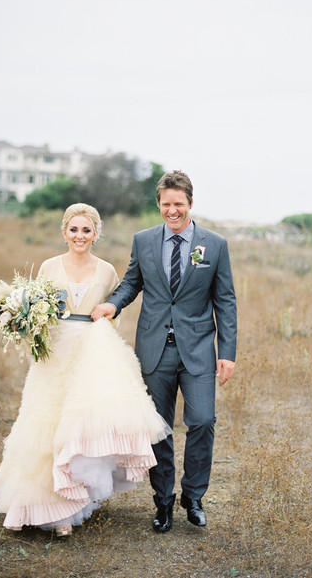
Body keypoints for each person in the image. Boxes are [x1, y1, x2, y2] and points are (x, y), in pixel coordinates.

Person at [0, 203, 170, 537]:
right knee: (46, 422)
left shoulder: (107, 271)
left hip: (91, 353)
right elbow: (37, 308)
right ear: (64, 232)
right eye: (74, 230)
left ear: (96, 234)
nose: (80, 236)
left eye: (86, 230)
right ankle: (39, 505)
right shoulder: (49, 266)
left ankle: (68, 510)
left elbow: (115, 309)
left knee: (78, 429)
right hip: (55, 352)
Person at [92, 170, 237, 533]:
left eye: (179, 204)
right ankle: (163, 501)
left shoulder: (215, 245)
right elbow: (132, 282)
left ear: (190, 203)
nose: (173, 210)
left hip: (199, 350)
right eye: (166, 204)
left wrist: (227, 352)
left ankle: (194, 497)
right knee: (158, 428)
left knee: (202, 421)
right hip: (154, 348)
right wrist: (112, 305)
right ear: (159, 204)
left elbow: (225, 301)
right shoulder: (143, 240)